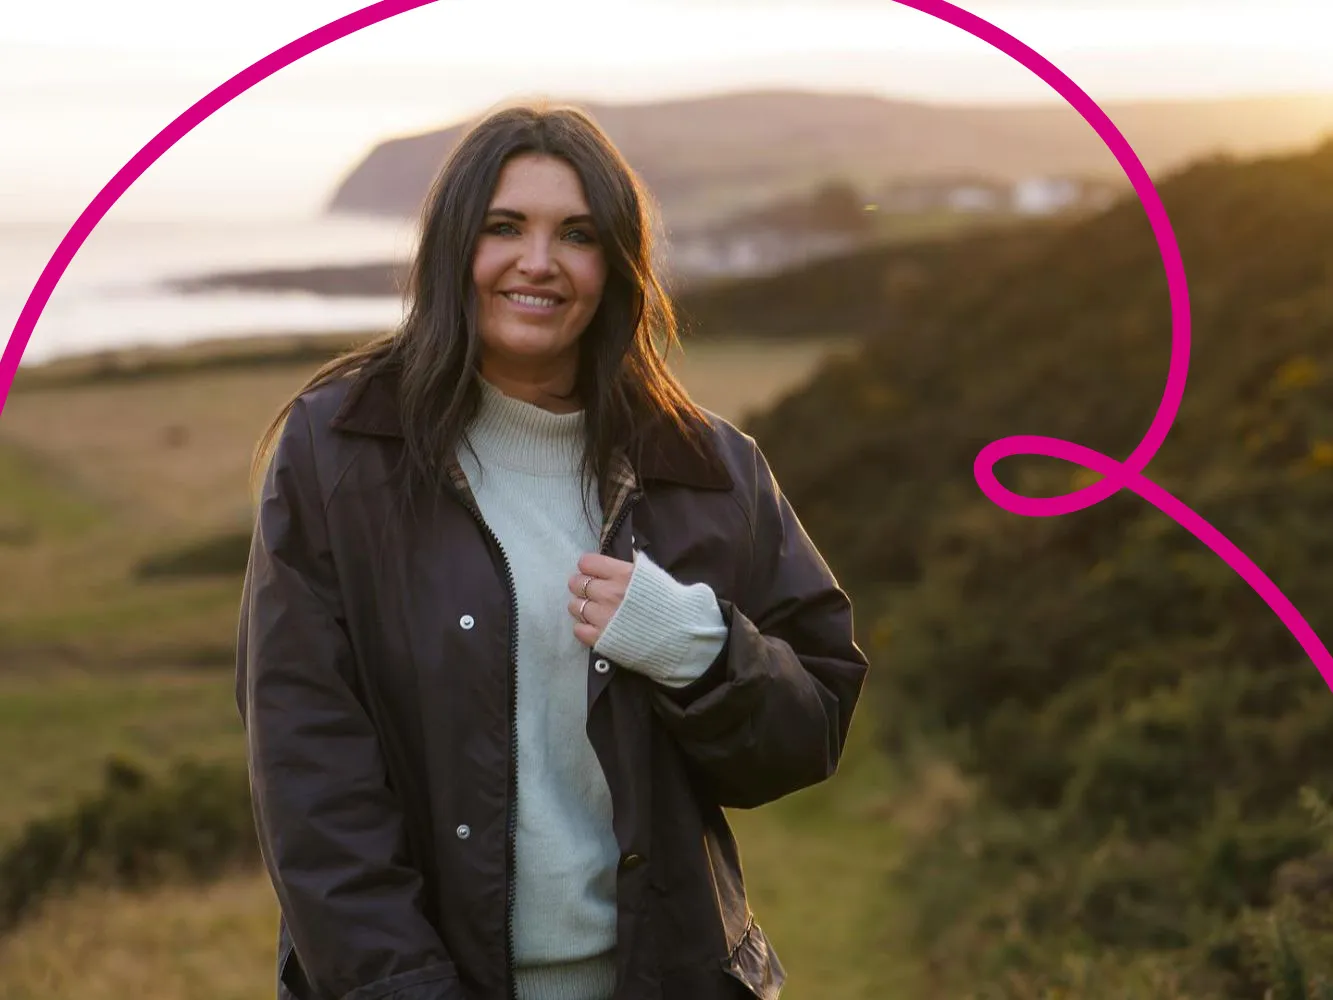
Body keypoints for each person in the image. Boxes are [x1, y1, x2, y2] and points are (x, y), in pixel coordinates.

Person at [235, 100, 868, 1000]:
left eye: (577, 234)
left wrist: (698, 649)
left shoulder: (708, 469)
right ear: (454, 246)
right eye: (504, 227)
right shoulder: (336, 454)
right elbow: (310, 779)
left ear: (616, 265)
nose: (538, 261)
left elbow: (808, 732)